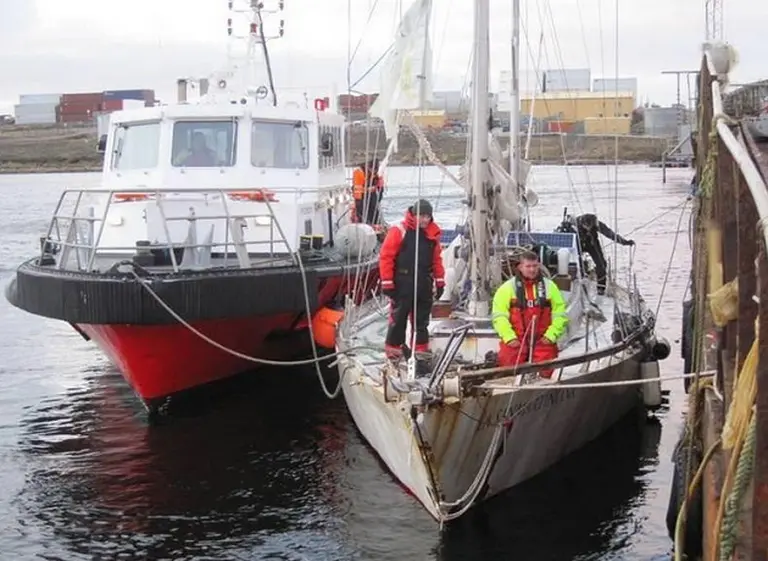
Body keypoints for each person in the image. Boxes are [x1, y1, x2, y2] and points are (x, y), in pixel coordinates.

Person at [379, 199, 445, 365]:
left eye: (427, 216)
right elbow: (386, 257)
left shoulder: (433, 235)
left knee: (421, 320)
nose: (424, 220)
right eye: (420, 216)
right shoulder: (399, 231)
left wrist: (440, 281)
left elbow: (437, 259)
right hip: (403, 283)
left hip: (423, 282)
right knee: (398, 318)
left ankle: (420, 353)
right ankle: (394, 352)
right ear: (413, 214)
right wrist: (387, 283)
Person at [491, 250, 568, 378]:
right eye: (528, 266)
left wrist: (551, 335)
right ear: (520, 267)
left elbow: (560, 316)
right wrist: (509, 337)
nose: (532, 270)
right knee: (507, 370)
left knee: (546, 370)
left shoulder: (550, 287)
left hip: (543, 340)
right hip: (515, 341)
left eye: (535, 266)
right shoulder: (507, 288)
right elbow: (499, 317)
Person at [559, 213, 635, 294]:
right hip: (578, 244)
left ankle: (601, 288)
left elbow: (610, 234)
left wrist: (625, 242)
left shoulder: (597, 224)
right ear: (582, 223)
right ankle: (580, 283)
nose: (588, 229)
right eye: (587, 227)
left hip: (592, 244)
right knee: (578, 265)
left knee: (602, 264)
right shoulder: (575, 224)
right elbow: (564, 236)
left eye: (590, 227)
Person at [352, 159, 384, 225]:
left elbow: (380, 187)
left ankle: (376, 225)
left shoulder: (377, 173)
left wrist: (379, 192)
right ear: (368, 167)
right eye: (372, 170)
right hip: (361, 198)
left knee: (375, 214)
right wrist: (367, 190)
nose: (374, 172)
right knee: (363, 216)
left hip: (372, 196)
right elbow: (357, 190)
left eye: (375, 171)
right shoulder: (359, 172)